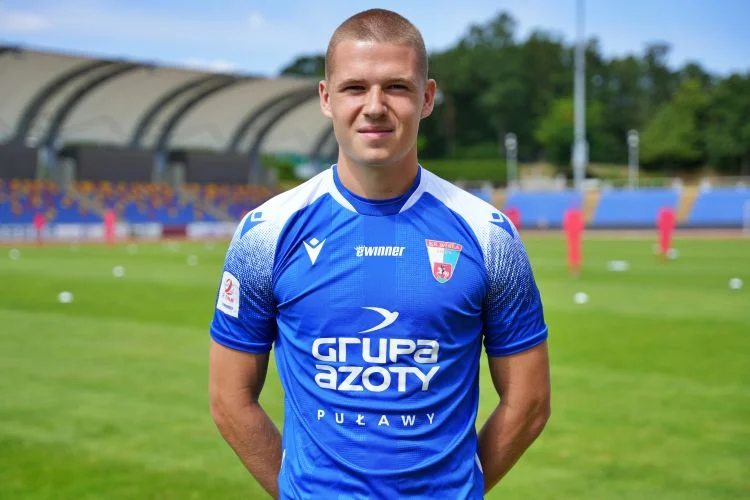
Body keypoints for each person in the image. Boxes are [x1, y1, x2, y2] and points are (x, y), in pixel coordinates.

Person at [209, 8, 550, 499]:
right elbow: (229, 398)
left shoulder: (488, 234)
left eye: (396, 87)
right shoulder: (266, 233)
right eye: (354, 87)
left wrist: (460, 489)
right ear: (326, 97)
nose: (374, 106)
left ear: (426, 97)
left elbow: (530, 401)